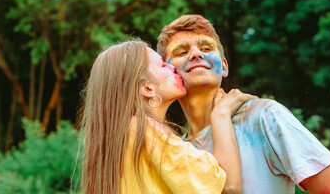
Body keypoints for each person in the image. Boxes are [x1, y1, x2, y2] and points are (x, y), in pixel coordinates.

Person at [157, 15, 330, 194]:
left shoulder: (263, 117)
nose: (196, 54)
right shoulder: (177, 151)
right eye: (182, 51)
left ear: (224, 66)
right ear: (167, 72)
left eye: (206, 48)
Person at [78, 40, 257, 194]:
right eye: (163, 65)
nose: (172, 67)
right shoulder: (144, 131)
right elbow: (229, 187)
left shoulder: (118, 137)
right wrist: (221, 115)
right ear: (147, 88)